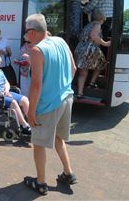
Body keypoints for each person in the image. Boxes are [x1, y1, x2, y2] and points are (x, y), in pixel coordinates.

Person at [23, 14, 77, 195]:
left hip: (47, 105)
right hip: (66, 98)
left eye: (26, 33)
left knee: (38, 144)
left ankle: (40, 182)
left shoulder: (37, 51)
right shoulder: (60, 41)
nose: (25, 36)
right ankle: (68, 173)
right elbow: (74, 68)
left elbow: (36, 85)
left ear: (32, 32)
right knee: (58, 138)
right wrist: (62, 86)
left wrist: (31, 111)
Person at [0, 55, 31, 135]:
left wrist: (7, 91)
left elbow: (7, 83)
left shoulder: (0, 72)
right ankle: (25, 126)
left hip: (6, 93)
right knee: (14, 102)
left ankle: (32, 123)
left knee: (24, 99)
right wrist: (2, 94)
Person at [74, 10, 111, 99]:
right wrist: (105, 43)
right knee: (101, 64)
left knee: (82, 72)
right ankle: (92, 83)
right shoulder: (97, 25)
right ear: (102, 18)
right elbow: (94, 36)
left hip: (80, 49)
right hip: (89, 49)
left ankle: (79, 93)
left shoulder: (88, 25)